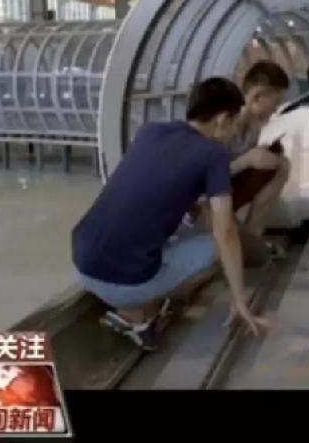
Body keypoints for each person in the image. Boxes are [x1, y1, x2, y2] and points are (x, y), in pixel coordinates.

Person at [71, 77, 267, 350]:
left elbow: (157, 189)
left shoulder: (151, 131)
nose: (236, 132)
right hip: (121, 285)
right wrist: (240, 299)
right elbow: (225, 232)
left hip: (81, 265)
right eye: (235, 123)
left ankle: (137, 307)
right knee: (215, 247)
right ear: (222, 119)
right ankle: (138, 316)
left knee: (181, 231)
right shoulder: (213, 154)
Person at [226, 61, 292, 264]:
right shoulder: (222, 123)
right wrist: (247, 160)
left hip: (229, 186)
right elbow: (200, 177)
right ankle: (244, 244)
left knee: (282, 164)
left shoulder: (254, 127)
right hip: (208, 197)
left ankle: (252, 235)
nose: (275, 110)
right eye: (275, 102)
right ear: (257, 96)